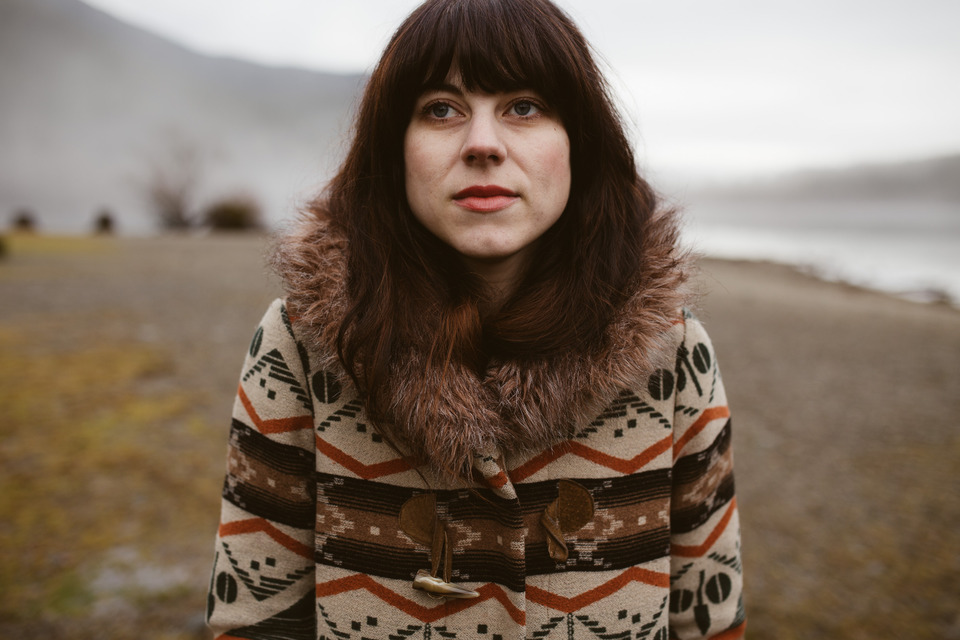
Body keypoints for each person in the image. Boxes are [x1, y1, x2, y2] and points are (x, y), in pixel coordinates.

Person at [206, 0, 745, 638]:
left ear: (580, 140)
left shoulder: (674, 350)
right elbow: (253, 619)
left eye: (524, 106)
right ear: (392, 147)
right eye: (440, 109)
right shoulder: (300, 344)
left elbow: (708, 620)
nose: (483, 144)